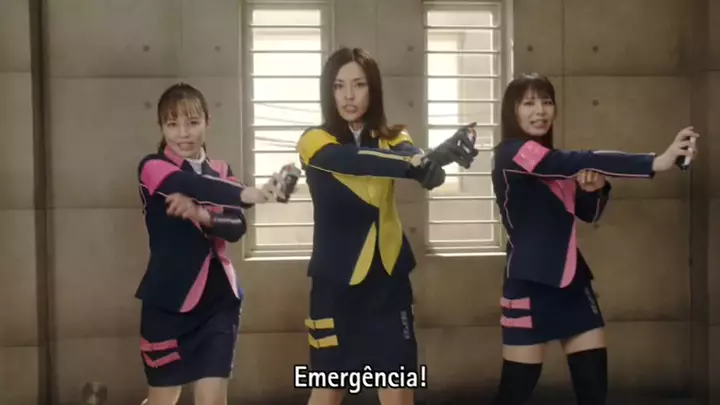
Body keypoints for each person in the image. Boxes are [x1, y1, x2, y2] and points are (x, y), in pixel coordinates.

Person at [489, 72, 699, 405]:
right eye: (528, 103)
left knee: (593, 388)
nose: (540, 111)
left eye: (546, 102)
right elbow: (580, 159)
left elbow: (589, 213)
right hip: (530, 285)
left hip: (573, 283)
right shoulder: (511, 154)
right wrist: (656, 162)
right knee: (515, 390)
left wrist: (595, 188)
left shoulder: (553, 162)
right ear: (511, 112)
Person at [296, 47, 477, 405]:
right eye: (339, 86)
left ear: (373, 89)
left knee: (398, 388)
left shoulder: (395, 137)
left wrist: (433, 161)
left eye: (359, 84)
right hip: (336, 283)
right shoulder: (314, 141)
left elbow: (416, 164)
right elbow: (358, 161)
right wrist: (418, 162)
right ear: (328, 91)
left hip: (388, 280)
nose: (349, 95)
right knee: (328, 391)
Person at [135, 83, 293, 405]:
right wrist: (250, 193)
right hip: (168, 302)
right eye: (172, 124)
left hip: (219, 301)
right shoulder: (152, 168)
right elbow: (192, 184)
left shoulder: (221, 171)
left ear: (208, 121)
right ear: (161, 127)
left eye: (193, 122)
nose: (183, 133)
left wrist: (200, 214)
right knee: (164, 398)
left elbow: (236, 227)